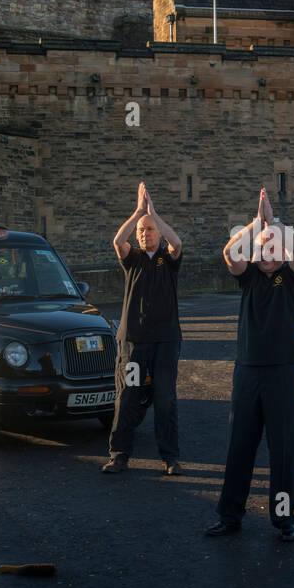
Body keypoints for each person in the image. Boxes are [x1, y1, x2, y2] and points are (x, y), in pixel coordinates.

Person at [206, 188, 294, 541]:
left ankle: (283, 518)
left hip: (283, 372)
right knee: (240, 446)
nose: (268, 253)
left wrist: (275, 222)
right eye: (262, 247)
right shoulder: (247, 275)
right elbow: (227, 252)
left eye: (273, 246)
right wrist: (256, 224)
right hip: (248, 370)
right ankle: (229, 514)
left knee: (282, 450)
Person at [103, 181, 183, 475]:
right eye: (141, 230)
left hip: (164, 343)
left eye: (149, 229)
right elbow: (116, 241)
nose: (144, 233)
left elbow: (178, 244)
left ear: (159, 233)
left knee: (165, 400)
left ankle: (170, 457)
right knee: (128, 397)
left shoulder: (167, 260)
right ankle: (119, 454)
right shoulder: (133, 259)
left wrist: (154, 214)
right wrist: (138, 212)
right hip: (134, 344)